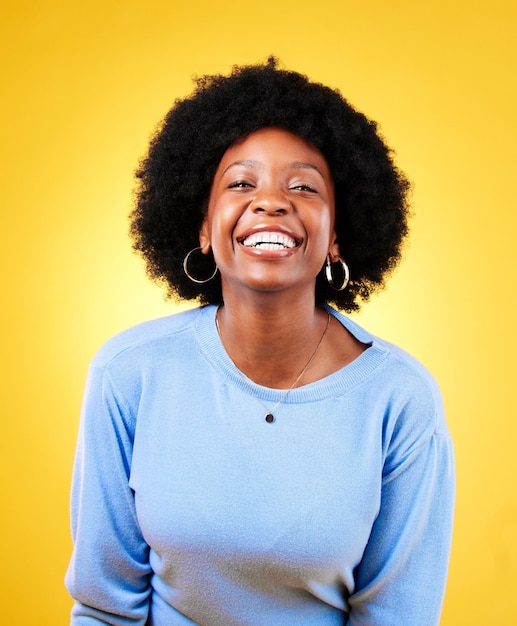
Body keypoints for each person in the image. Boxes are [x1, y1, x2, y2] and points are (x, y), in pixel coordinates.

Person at [65, 58, 455, 625]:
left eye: (303, 186)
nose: (270, 201)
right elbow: (103, 609)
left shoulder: (400, 400)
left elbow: (398, 615)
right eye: (241, 183)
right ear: (203, 225)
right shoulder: (128, 374)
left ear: (337, 237)